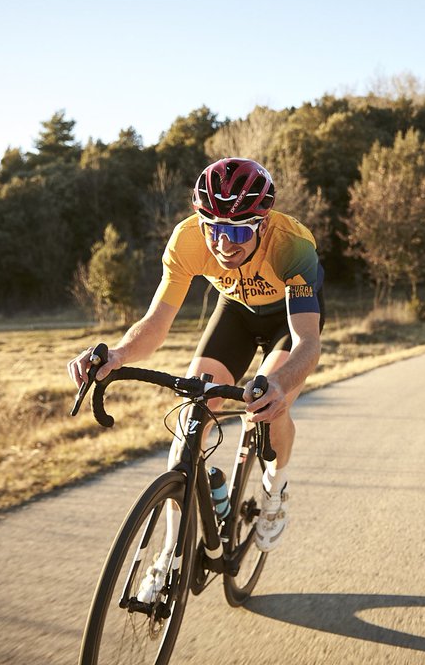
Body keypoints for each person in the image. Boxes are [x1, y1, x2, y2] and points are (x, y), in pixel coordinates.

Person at [66, 157, 323, 600]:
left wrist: (280, 386)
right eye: (214, 227)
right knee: (191, 418)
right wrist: (121, 353)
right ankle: (169, 554)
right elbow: (156, 322)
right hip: (236, 316)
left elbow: (307, 342)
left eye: (240, 231)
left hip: (286, 321)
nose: (224, 243)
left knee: (264, 404)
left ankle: (275, 489)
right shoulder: (187, 240)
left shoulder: (291, 245)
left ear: (263, 224)